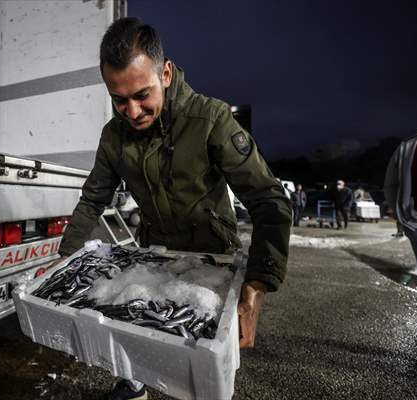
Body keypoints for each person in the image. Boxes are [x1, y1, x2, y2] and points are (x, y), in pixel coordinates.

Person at [57, 17, 292, 400]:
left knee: (197, 360)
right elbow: (92, 199)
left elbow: (269, 201)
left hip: (211, 256)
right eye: (119, 99)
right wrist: (65, 260)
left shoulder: (211, 119)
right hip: (155, 253)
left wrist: (256, 285)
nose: (131, 112)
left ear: (165, 73)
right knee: (137, 328)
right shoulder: (113, 137)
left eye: (141, 95)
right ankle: (133, 386)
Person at [384, 131, 417, 287]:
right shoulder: (407, 146)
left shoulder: (407, 146)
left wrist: (399, 211)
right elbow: (390, 186)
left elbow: (390, 185)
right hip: (415, 222)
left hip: (414, 219)